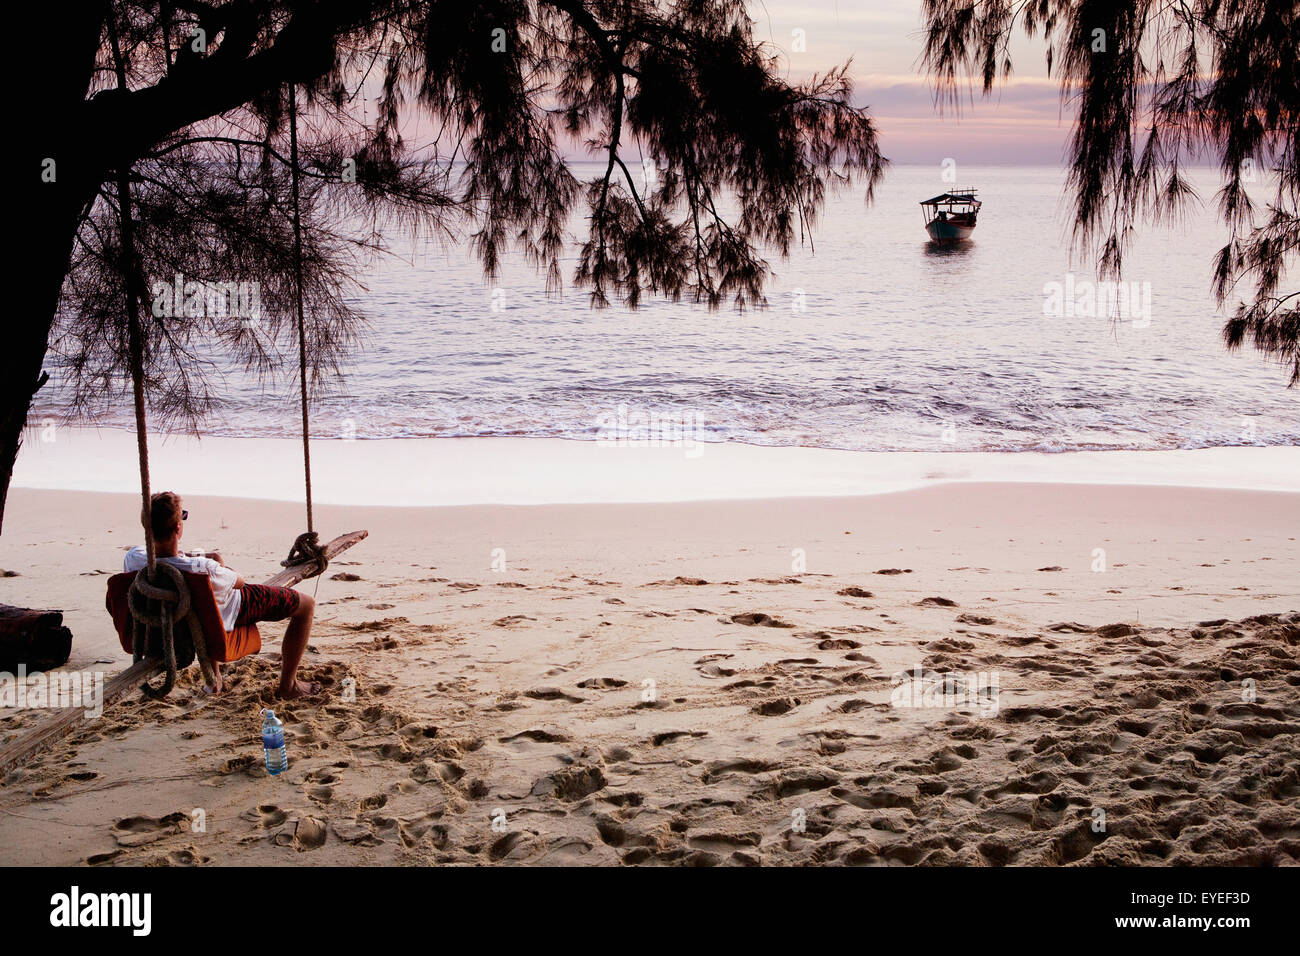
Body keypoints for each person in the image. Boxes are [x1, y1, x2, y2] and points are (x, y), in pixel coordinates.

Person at [123, 491, 320, 699]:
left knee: (204, 606)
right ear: (178, 528)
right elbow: (239, 581)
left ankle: (215, 679)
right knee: (306, 604)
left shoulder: (133, 559)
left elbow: (164, 558)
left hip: (170, 628)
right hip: (232, 611)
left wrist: (193, 557)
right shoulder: (205, 569)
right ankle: (289, 686)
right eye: (183, 516)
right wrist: (217, 562)